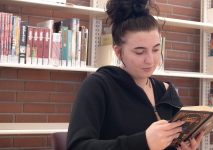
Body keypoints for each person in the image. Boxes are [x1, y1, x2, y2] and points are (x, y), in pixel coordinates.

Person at [65, 0, 204, 149]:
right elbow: (77, 146)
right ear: (118, 52)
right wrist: (144, 142)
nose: (150, 60)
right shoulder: (98, 86)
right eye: (139, 52)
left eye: (156, 49)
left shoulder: (165, 92)